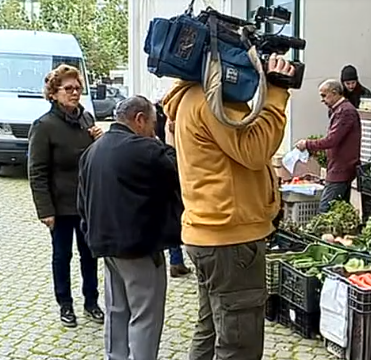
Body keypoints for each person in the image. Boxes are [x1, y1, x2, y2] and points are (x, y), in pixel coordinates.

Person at [163, 54, 296, 360]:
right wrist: (276, 91)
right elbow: (255, 150)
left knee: (209, 332)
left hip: (209, 234)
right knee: (239, 346)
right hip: (230, 240)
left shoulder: (189, 96)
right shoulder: (212, 100)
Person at [78, 95, 181, 360]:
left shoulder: (92, 151)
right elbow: (179, 168)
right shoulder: (144, 149)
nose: (153, 131)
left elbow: (82, 202)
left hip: (106, 246)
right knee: (146, 316)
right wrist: (166, 138)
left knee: (117, 311)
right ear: (139, 119)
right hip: (140, 248)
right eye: (153, 124)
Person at [28, 64, 104, 328]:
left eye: (78, 88)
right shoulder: (44, 126)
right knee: (62, 256)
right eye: (68, 89)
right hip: (59, 206)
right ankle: (65, 304)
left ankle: (91, 302)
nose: (74, 93)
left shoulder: (87, 119)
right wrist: (45, 210)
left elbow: (97, 161)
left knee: (90, 255)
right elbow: (36, 172)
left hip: (87, 204)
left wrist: (99, 142)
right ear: (53, 93)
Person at [295, 79, 361, 213]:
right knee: (340, 209)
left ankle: (327, 233)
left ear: (335, 93)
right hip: (341, 167)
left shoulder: (345, 111)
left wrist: (307, 144)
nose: (322, 100)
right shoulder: (340, 110)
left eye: (324, 96)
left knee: (325, 209)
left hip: (341, 168)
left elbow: (332, 140)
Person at [153, 102, 191, 278]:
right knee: (179, 215)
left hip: (177, 172)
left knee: (175, 214)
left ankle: (177, 260)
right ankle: (177, 260)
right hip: (177, 172)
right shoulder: (167, 121)